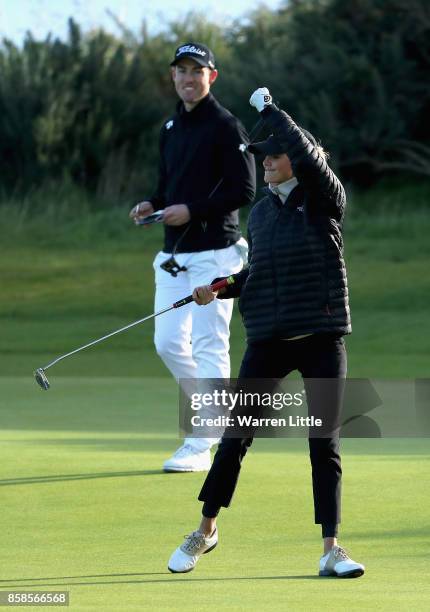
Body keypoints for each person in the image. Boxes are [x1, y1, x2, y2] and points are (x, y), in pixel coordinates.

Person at [167, 88, 365, 578]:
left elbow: (305, 154)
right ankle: (205, 531)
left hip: (321, 336)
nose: (268, 163)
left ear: (298, 160)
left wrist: (271, 111)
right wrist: (222, 286)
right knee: (235, 438)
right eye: (264, 156)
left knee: (325, 442)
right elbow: (259, 272)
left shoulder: (323, 198)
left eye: (275, 156)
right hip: (269, 340)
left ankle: (331, 549)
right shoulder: (260, 213)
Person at [129, 43, 256, 472]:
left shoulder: (226, 126)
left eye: (196, 71)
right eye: (181, 71)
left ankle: (202, 442)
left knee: (207, 343)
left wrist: (193, 210)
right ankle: (216, 415)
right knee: (166, 341)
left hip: (217, 256)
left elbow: (245, 191)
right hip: (174, 256)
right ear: (173, 77)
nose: (188, 78)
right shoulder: (170, 127)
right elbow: (169, 188)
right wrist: (152, 204)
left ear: (211, 77)